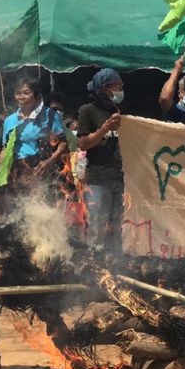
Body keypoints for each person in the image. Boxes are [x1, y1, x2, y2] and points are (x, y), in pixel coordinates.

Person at [0, 78, 67, 212]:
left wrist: (49, 161)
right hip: (18, 172)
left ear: (35, 95)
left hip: (42, 169)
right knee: (18, 213)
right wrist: (1, 163)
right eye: (18, 93)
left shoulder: (49, 116)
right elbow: (5, 148)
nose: (20, 97)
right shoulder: (9, 121)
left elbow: (63, 143)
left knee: (42, 210)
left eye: (26, 93)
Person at [77, 68, 123, 253]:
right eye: (117, 86)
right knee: (97, 226)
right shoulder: (87, 111)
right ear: (105, 88)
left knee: (118, 227)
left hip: (120, 178)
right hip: (98, 180)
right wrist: (105, 128)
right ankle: (95, 268)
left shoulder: (120, 111)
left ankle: (117, 265)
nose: (120, 90)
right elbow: (83, 143)